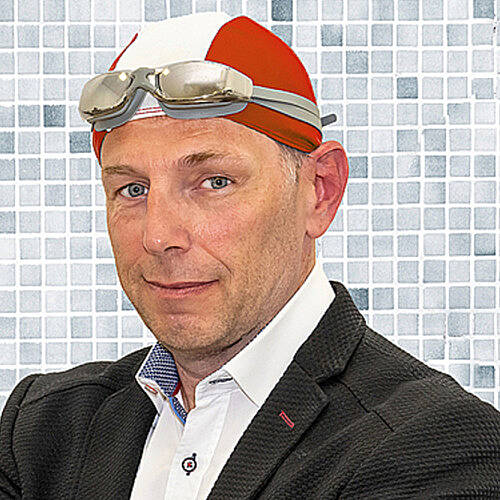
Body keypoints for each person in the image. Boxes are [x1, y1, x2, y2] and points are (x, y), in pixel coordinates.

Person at [1, 12, 499, 500]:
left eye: (215, 182)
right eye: (133, 189)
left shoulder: (437, 447)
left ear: (320, 191)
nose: (159, 235)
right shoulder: (42, 431)